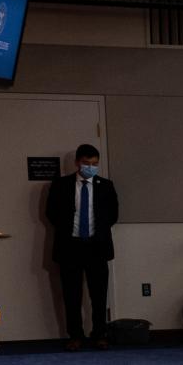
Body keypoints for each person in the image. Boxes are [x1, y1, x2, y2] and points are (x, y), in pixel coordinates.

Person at [45, 143, 119, 351]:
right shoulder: (61, 185)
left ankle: (100, 334)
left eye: (95, 164)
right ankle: (75, 336)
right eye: (87, 163)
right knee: (71, 295)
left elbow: (113, 215)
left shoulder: (106, 185)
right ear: (78, 162)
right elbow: (51, 213)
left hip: (97, 246)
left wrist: (98, 232)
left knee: (99, 295)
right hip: (70, 247)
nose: (90, 167)